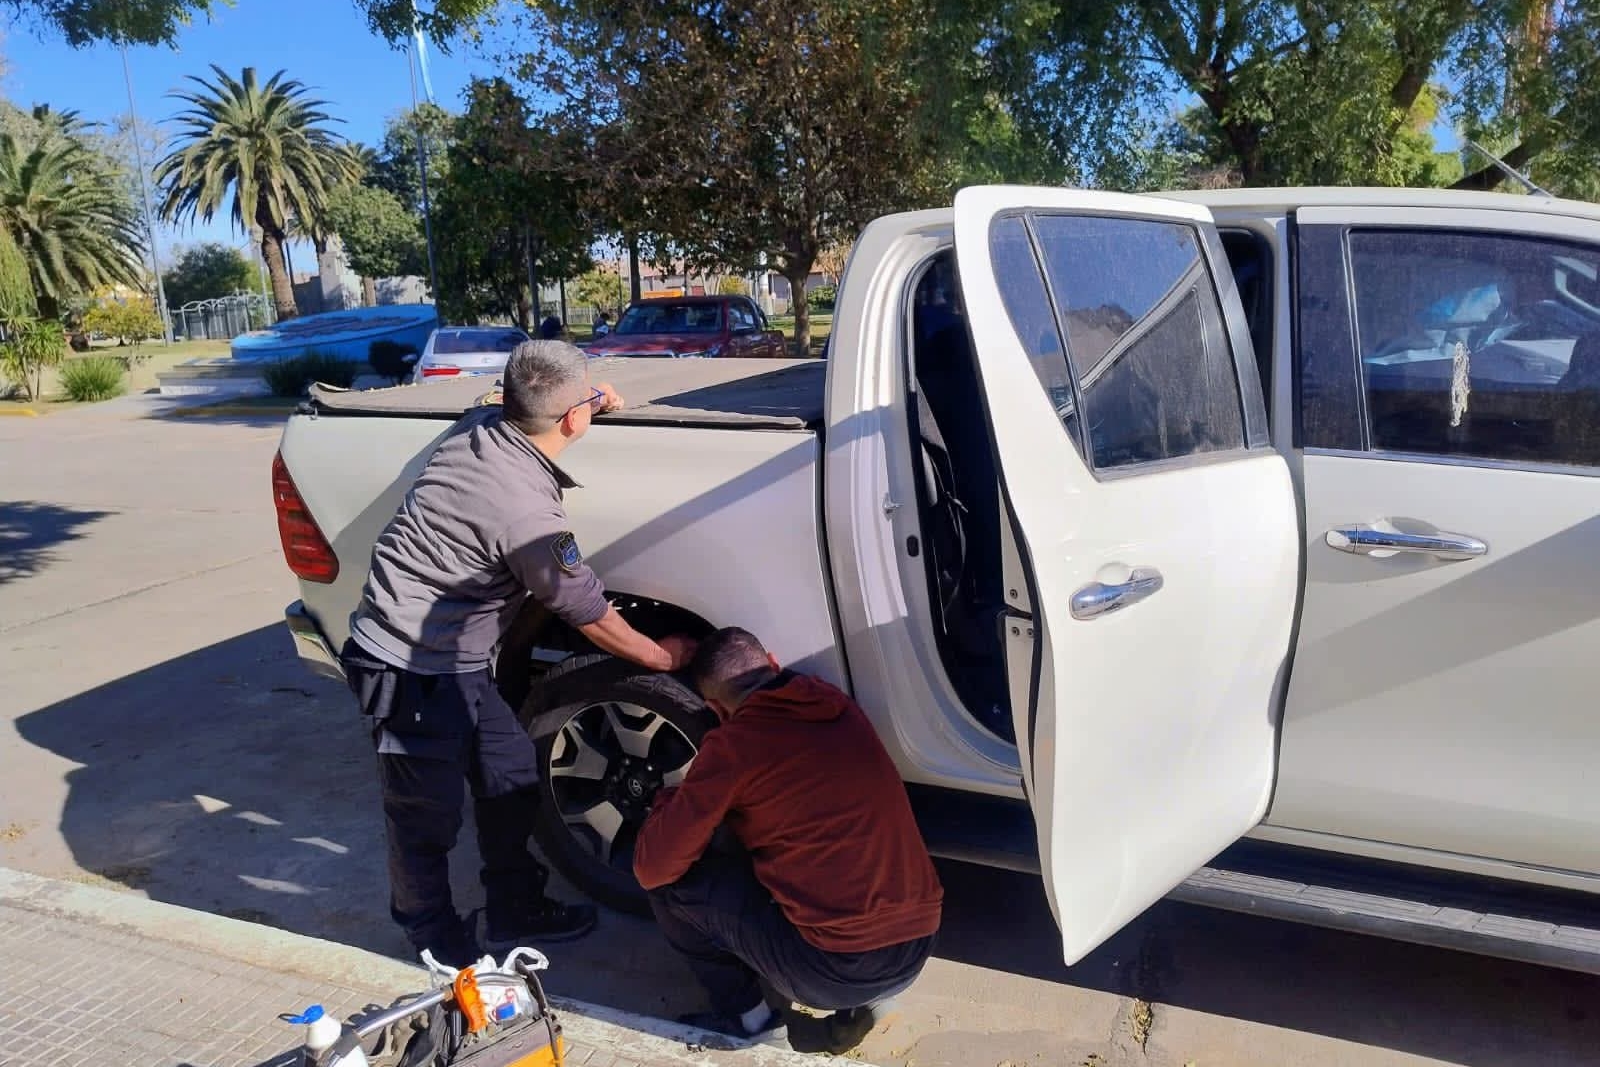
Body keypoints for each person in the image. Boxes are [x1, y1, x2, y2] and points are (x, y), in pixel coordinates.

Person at [341, 339, 697, 966]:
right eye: (587, 400)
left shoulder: (482, 424)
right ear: (571, 418)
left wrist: (596, 400)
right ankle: (433, 940)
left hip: (456, 660)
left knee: (510, 774)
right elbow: (587, 610)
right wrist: (661, 659)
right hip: (404, 665)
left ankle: (513, 906)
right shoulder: (527, 513)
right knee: (424, 815)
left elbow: (527, 404)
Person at [634, 628, 943, 1051]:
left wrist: (668, 800)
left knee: (670, 887)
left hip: (834, 972)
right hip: (919, 945)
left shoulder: (735, 746)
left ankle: (753, 1021)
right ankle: (868, 1005)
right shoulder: (837, 704)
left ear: (716, 709)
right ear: (774, 663)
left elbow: (653, 868)